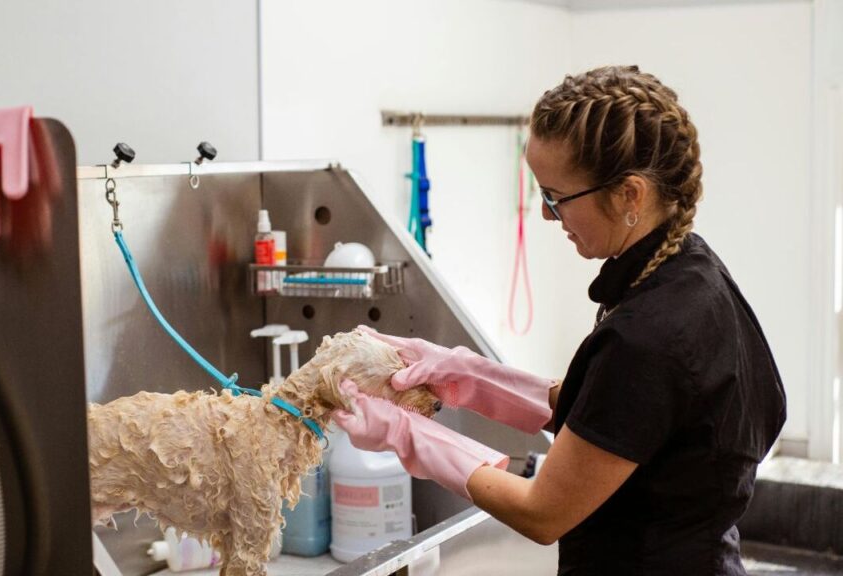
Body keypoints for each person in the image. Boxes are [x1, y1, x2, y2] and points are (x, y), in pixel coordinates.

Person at [333, 65, 786, 575]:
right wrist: (463, 374)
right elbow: (611, 409)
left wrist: (408, 433)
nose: (549, 216)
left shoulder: (652, 335)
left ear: (630, 195)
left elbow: (541, 511)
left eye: (557, 196)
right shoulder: (690, 272)